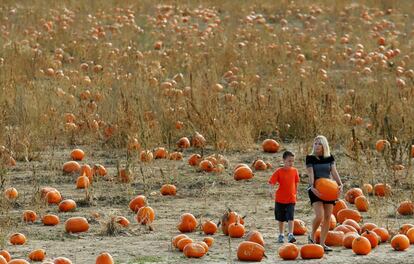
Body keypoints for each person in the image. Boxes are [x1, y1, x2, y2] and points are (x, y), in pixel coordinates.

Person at [306, 135, 343, 252]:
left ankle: (322, 243)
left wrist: (340, 184)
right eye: (315, 144)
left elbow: (334, 171)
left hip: (329, 189)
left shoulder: (330, 157)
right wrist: (312, 187)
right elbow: (311, 174)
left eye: (319, 144)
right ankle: (311, 236)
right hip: (315, 188)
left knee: (327, 217)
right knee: (319, 215)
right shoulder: (310, 158)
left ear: (324, 146)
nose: (316, 146)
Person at [268, 150, 300, 243]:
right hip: (280, 199)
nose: (291, 163)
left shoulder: (295, 171)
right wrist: (271, 190)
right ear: (283, 160)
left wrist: (296, 194)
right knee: (281, 218)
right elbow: (272, 182)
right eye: (289, 161)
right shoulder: (279, 171)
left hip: (291, 198)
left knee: (291, 217)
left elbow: (296, 183)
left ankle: (290, 234)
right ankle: (281, 234)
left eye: (292, 161)